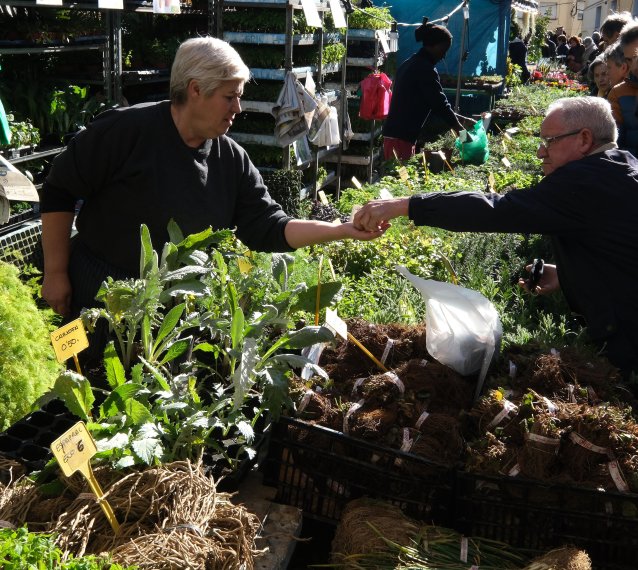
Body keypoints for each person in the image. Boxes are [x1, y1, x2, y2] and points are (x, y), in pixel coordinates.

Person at [40, 37, 386, 320]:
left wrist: (341, 229)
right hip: (97, 293)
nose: (237, 108)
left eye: (239, 96)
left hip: (174, 310)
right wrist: (55, 272)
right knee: (84, 389)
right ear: (195, 90)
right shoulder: (126, 131)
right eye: (230, 96)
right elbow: (59, 190)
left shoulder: (230, 159)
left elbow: (269, 226)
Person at [354, 96, 638, 381]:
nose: (540, 152)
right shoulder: (618, 167)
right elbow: (617, 248)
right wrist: (568, 274)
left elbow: (497, 210)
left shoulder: (587, 181)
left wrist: (407, 205)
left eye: (549, 141)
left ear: (584, 139)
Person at [381, 22, 471, 161]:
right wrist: (462, 133)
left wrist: (463, 119)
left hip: (397, 134)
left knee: (398, 177)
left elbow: (437, 103)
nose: (444, 56)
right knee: (399, 178)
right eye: (443, 49)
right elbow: (439, 104)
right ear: (433, 45)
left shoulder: (411, 62)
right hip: (400, 137)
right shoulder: (424, 68)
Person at [607, 23, 638, 155]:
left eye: (636, 58)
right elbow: (615, 145)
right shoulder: (618, 93)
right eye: (629, 60)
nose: (634, 67)